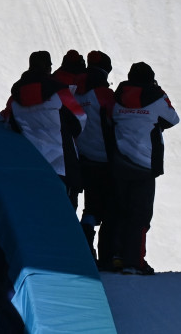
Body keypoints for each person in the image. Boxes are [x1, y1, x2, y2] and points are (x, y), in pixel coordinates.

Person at [108, 62, 180, 275]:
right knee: (140, 215)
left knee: (120, 211)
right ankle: (134, 262)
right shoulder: (156, 97)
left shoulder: (118, 97)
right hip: (145, 164)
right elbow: (173, 119)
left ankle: (116, 257)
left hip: (120, 161)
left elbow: (111, 119)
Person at [0, 51, 87, 199]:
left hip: (29, 164)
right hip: (61, 165)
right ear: (48, 68)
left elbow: (3, 123)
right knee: (63, 212)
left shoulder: (15, 97)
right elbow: (79, 119)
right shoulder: (60, 92)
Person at [75, 50, 118, 269]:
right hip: (105, 159)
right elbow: (117, 119)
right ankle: (107, 256)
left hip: (83, 156)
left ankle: (85, 247)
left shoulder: (76, 91)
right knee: (110, 207)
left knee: (90, 207)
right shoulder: (103, 94)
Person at [52, 50, 88, 207]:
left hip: (36, 157)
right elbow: (80, 120)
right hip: (65, 158)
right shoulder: (67, 87)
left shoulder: (50, 82)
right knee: (68, 204)